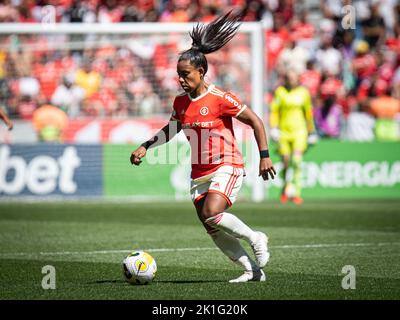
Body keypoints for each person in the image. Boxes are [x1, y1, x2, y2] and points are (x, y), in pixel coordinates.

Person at [130, 11, 276, 283]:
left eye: (186, 74)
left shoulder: (220, 98)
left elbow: (255, 120)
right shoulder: (181, 103)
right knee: (210, 225)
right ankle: (251, 271)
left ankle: (257, 237)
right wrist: (146, 146)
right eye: (178, 75)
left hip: (227, 164)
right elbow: (172, 129)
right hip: (199, 172)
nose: (181, 80)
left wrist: (264, 156)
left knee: (212, 212)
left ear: (201, 71)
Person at [269, 70, 317, 205]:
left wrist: (311, 131)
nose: (291, 80)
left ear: (298, 79)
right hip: (284, 131)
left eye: (294, 78)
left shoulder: (304, 93)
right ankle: (285, 188)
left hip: (299, 131)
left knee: (296, 161)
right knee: (285, 161)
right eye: (289, 78)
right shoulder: (280, 92)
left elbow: (308, 113)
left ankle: (296, 192)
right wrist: (273, 128)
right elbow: (275, 111)